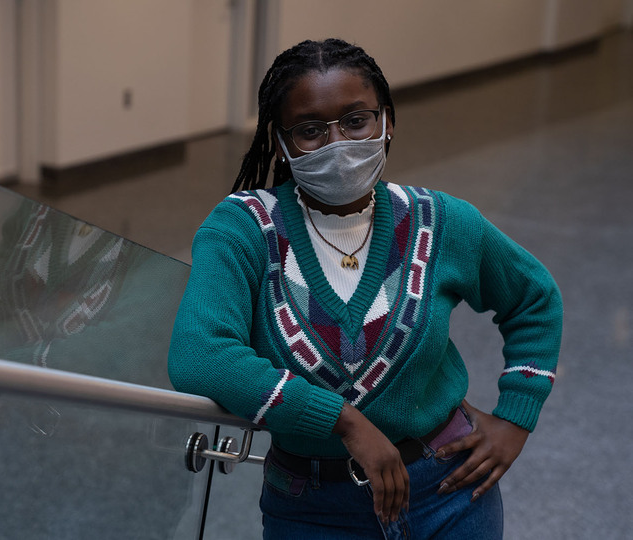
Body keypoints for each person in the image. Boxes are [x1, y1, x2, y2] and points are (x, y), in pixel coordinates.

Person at [168, 38, 563, 539]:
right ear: (284, 143)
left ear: (388, 122)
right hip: (313, 508)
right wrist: (344, 422)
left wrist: (516, 418)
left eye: (357, 121)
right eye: (311, 130)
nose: (337, 143)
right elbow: (198, 355)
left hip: (449, 491)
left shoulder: (441, 222)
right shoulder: (242, 230)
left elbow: (534, 299)